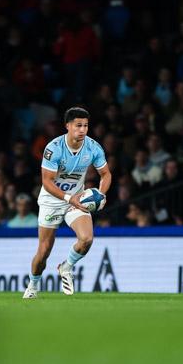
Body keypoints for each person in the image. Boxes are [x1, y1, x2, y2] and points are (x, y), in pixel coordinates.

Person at [23, 107, 111, 298]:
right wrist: (68, 198)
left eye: (86, 126)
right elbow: (47, 182)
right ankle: (32, 286)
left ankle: (66, 267)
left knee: (87, 239)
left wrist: (101, 194)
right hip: (52, 200)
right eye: (78, 125)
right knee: (44, 250)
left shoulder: (93, 147)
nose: (82, 130)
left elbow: (105, 174)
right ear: (68, 126)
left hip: (77, 199)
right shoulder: (53, 148)